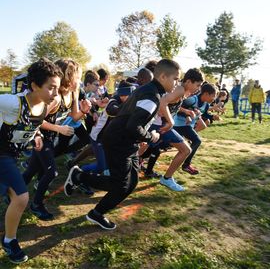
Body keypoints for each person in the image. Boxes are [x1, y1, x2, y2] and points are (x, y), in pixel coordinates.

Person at [64, 59, 180, 230]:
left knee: (130, 182)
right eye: (175, 79)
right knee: (121, 185)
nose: (176, 83)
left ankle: (91, 202)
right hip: (119, 142)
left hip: (125, 141)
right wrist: (151, 136)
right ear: (163, 76)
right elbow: (134, 126)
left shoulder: (151, 91)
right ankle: (82, 183)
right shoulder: (151, 95)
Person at [0, 58, 62, 264]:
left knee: (16, 196)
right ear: (34, 86)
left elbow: (33, 124)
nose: (55, 93)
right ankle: (9, 241)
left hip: (10, 157)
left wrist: (37, 136)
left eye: (58, 88)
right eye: (51, 88)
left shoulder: (45, 106)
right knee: (21, 197)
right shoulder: (13, 103)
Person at [23, 59, 91, 220]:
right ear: (69, 77)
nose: (80, 81)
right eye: (78, 77)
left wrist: (84, 111)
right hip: (40, 136)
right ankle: (36, 204)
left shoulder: (73, 93)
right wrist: (59, 128)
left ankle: (8, 192)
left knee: (31, 170)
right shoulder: (55, 97)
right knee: (51, 172)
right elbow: (36, 120)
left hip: (50, 135)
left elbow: (74, 116)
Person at [174, 83, 218, 175]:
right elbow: (178, 108)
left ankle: (186, 164)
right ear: (206, 94)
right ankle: (186, 165)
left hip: (187, 126)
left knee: (196, 141)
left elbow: (204, 114)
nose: (214, 98)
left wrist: (213, 116)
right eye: (213, 96)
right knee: (196, 141)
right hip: (178, 125)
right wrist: (187, 115)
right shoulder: (192, 100)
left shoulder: (205, 104)